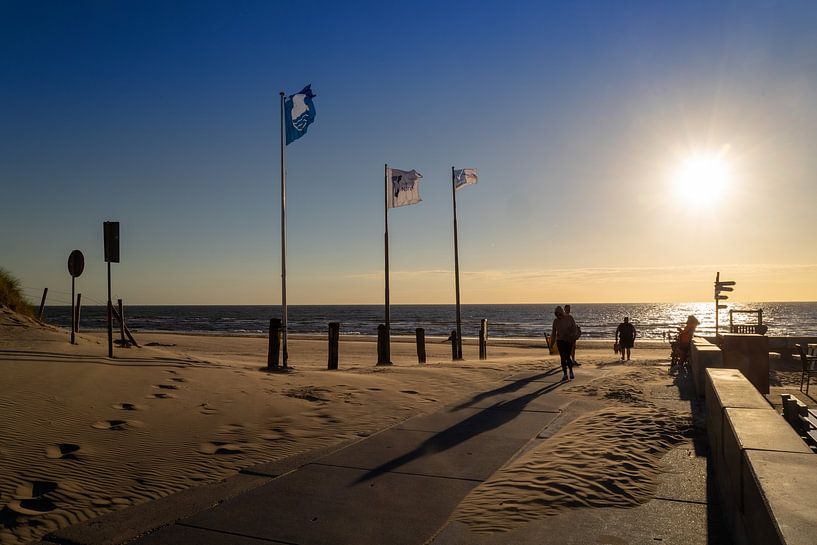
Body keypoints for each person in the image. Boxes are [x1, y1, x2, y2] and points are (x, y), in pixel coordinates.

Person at [551, 306, 578, 381]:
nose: (558, 316)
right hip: (560, 341)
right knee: (562, 358)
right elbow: (553, 333)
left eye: (559, 314)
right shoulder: (555, 321)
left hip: (568, 340)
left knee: (567, 357)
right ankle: (565, 374)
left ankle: (571, 371)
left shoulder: (569, 318)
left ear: (562, 312)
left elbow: (575, 328)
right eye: (557, 314)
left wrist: (572, 335)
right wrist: (552, 344)